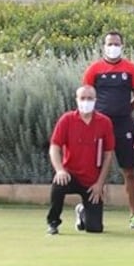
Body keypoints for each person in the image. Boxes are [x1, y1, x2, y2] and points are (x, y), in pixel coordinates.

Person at [82, 31, 134, 228]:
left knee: (129, 172)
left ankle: (133, 215)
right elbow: (85, 95)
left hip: (124, 124)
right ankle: (87, 211)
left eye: (116, 43)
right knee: (92, 172)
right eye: (110, 43)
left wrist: (125, 110)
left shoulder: (131, 69)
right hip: (99, 127)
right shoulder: (94, 69)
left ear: (122, 45)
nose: (113, 47)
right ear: (104, 45)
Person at [46, 86, 115, 235]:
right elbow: (54, 147)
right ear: (76, 100)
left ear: (96, 100)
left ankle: (82, 212)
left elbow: (108, 154)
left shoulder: (105, 122)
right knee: (58, 184)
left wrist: (100, 184)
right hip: (70, 175)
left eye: (90, 98)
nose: (86, 102)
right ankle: (53, 222)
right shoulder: (67, 119)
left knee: (95, 229)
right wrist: (60, 170)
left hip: (92, 181)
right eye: (82, 98)